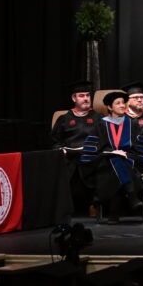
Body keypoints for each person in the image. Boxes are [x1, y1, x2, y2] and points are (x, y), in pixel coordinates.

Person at [80, 91, 143, 224]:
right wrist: (112, 152)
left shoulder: (132, 123)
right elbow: (92, 147)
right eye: (118, 103)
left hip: (129, 159)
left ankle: (113, 213)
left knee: (118, 163)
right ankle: (132, 196)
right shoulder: (100, 124)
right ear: (110, 107)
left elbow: (141, 147)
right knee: (115, 160)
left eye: (123, 103)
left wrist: (125, 154)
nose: (122, 106)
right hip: (105, 160)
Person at [50, 79, 102, 214]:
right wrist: (61, 149)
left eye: (87, 95)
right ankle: (67, 209)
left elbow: (104, 140)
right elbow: (55, 141)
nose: (86, 99)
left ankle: (94, 205)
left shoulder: (98, 117)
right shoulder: (64, 119)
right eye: (81, 96)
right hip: (70, 159)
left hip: (91, 158)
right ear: (74, 98)